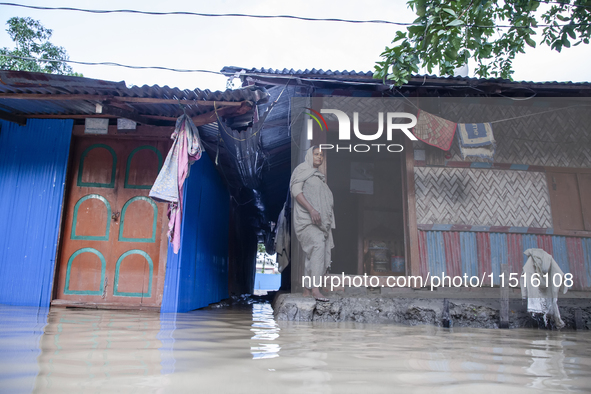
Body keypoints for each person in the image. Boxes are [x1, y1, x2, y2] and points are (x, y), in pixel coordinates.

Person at [290, 146, 335, 301]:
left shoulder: (318, 176)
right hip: (306, 220)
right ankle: (315, 289)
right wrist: (311, 210)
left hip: (319, 223)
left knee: (313, 253)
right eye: (316, 154)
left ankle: (307, 290)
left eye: (321, 155)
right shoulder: (302, 170)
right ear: (310, 155)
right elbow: (296, 191)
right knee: (317, 245)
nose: (319, 157)